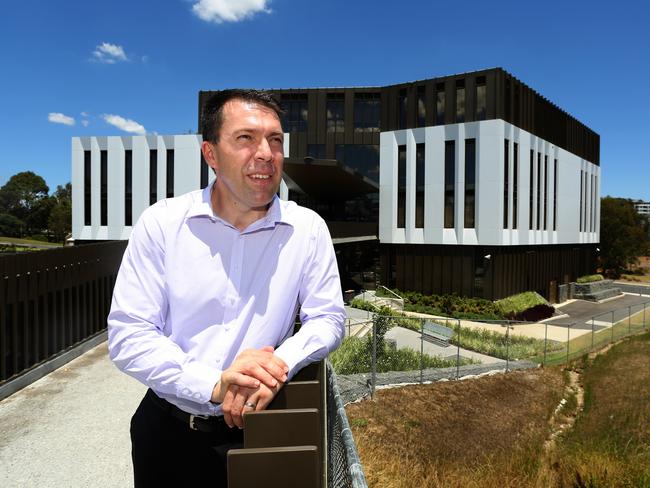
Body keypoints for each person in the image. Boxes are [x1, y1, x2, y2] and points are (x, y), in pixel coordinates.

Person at [107, 89, 346, 486]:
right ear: (211, 154)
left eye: (275, 140)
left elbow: (328, 318)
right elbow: (129, 334)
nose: (266, 153)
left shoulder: (308, 230)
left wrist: (276, 368)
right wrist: (215, 384)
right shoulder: (163, 223)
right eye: (246, 138)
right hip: (169, 436)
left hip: (262, 433)